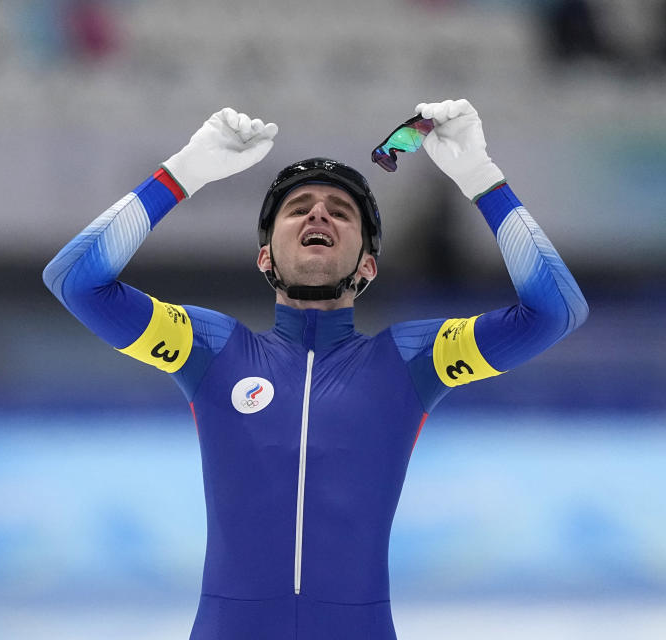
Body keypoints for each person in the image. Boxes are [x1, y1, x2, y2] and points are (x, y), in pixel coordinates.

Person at [43, 98, 588, 639]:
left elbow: (554, 312)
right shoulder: (209, 349)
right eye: (298, 206)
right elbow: (77, 282)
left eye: (340, 211)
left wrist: (481, 179)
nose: (318, 214)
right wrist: (183, 172)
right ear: (265, 258)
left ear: (367, 266)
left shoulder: (411, 361)